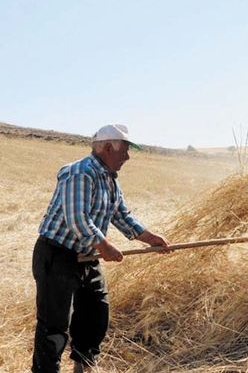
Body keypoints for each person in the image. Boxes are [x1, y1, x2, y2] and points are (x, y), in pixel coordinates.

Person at [32, 124, 171, 373]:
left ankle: (81, 368)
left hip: (88, 255)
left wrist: (149, 238)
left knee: (96, 315)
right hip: (59, 255)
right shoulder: (80, 173)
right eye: (125, 151)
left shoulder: (109, 180)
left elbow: (121, 215)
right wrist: (104, 245)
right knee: (54, 326)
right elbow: (77, 218)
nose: (127, 157)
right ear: (108, 148)